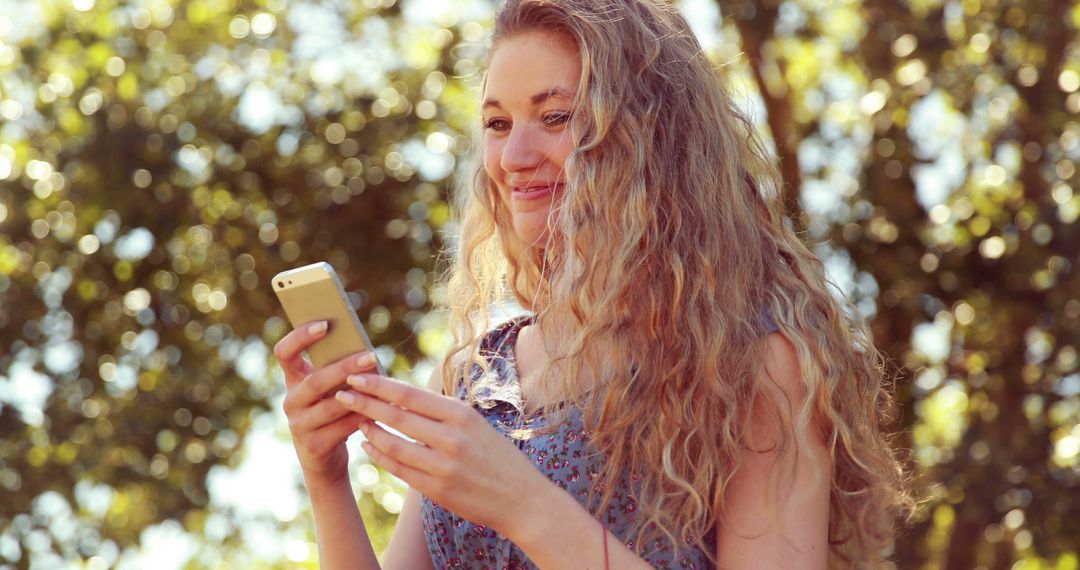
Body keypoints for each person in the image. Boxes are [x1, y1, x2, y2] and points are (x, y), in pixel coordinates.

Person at [273, 0, 912, 568]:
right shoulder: (475, 379)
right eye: (497, 123)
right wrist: (325, 476)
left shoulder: (757, 367)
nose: (515, 157)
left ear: (651, 141)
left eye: (555, 117)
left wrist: (527, 506)